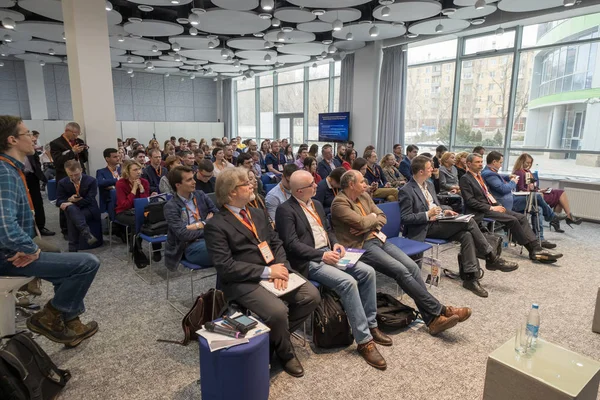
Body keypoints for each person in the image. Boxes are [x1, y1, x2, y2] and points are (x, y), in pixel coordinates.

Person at [204, 167, 320, 377]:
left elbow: (276, 242)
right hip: (242, 280)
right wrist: (267, 272)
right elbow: (225, 266)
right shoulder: (215, 225)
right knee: (277, 312)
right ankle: (285, 353)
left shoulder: (257, 212)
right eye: (245, 184)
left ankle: (272, 340)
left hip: (274, 268)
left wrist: (282, 267)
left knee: (311, 296)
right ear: (231, 192)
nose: (252, 185)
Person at [330, 170, 471, 335]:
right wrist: (371, 220)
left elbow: (382, 217)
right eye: (362, 182)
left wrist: (371, 219)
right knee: (401, 271)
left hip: (379, 238)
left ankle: (433, 320)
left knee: (412, 267)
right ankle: (441, 310)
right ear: (351, 184)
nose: (366, 184)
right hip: (361, 245)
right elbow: (361, 223)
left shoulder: (364, 196)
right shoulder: (339, 203)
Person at [0, 115, 99, 346]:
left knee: (62, 261)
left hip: (14, 246)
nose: (34, 139)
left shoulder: (11, 169)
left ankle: (70, 323)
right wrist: (31, 249)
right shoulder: (4, 173)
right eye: (28, 134)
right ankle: (50, 316)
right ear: (12, 140)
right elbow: (5, 228)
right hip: (9, 255)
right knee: (87, 263)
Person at [276, 170, 390, 370]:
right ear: (300, 191)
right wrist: (321, 255)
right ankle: (364, 341)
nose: (316, 185)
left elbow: (328, 230)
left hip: (330, 252)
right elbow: (291, 244)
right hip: (309, 260)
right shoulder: (285, 210)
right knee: (348, 283)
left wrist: (336, 244)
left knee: (367, 272)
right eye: (312, 183)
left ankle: (371, 325)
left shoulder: (317, 204)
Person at [399, 156, 518, 298]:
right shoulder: (407, 190)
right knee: (468, 222)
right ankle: (491, 256)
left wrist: (444, 210)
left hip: (439, 222)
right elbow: (406, 218)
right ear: (420, 172)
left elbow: (435, 205)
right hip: (424, 227)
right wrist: (427, 214)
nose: (433, 169)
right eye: (429, 168)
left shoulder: (429, 185)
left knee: (466, 235)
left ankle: (470, 278)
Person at [459, 153, 563, 263]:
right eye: (477, 162)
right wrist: (491, 208)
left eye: (481, 162)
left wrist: (498, 205)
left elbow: (488, 194)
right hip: (480, 211)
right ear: (469, 164)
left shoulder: (479, 177)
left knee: (521, 217)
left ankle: (537, 248)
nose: (480, 164)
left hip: (492, 206)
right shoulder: (465, 179)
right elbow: (470, 201)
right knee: (512, 220)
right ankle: (533, 250)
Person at [482, 151, 560, 249]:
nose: (501, 165)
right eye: (500, 162)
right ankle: (551, 217)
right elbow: (503, 189)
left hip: (512, 199)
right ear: (494, 162)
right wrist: (513, 182)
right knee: (538, 197)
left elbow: (499, 177)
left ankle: (540, 238)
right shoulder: (489, 173)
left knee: (538, 208)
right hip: (505, 204)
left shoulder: (490, 172)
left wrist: (508, 176)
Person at [164, 166, 219, 269]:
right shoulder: (171, 206)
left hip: (209, 238)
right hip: (188, 246)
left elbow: (217, 215)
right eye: (189, 180)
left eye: (193, 178)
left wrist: (199, 225)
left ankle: (225, 284)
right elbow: (183, 234)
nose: (194, 182)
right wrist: (208, 225)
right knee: (222, 251)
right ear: (178, 185)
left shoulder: (200, 195)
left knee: (234, 244)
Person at [512, 153, 581, 230]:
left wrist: (539, 189)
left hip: (535, 192)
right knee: (560, 195)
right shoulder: (519, 172)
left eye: (530, 163)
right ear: (521, 162)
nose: (529, 164)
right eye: (527, 162)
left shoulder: (527, 171)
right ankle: (566, 217)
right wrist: (537, 191)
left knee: (560, 194)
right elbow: (521, 188)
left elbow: (533, 186)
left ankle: (561, 218)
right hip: (529, 195)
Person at [56, 160, 101, 252]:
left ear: (81, 170)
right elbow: (59, 201)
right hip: (74, 209)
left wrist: (71, 202)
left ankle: (73, 246)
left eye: (76, 174)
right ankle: (85, 232)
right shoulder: (62, 183)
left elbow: (90, 199)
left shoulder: (91, 181)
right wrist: (69, 200)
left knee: (72, 214)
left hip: (89, 209)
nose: (74, 177)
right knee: (72, 210)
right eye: (70, 175)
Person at [23, 139, 54, 236]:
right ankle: (26, 230)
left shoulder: (29, 148)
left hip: (32, 176)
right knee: (22, 203)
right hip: (18, 177)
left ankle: (40, 227)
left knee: (37, 202)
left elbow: (36, 161)